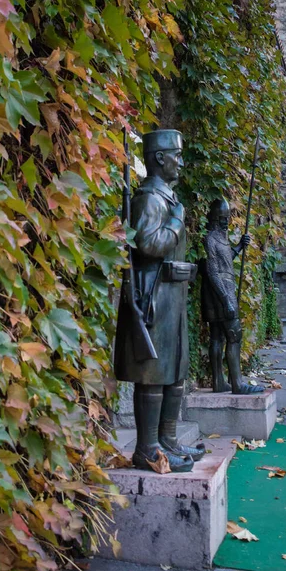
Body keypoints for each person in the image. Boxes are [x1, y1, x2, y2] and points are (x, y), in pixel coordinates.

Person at [114, 129, 205, 472]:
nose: (181, 161)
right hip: (154, 298)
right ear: (158, 159)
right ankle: (147, 447)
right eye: (176, 155)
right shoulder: (151, 200)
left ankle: (166, 438)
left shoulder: (165, 198)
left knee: (174, 369)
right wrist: (179, 221)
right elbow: (149, 245)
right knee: (152, 373)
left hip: (171, 299)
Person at [200, 197, 264, 394]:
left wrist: (238, 247)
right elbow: (213, 272)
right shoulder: (211, 239)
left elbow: (225, 262)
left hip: (220, 290)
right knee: (234, 334)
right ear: (214, 218)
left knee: (217, 336)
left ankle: (219, 382)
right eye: (222, 218)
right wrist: (226, 299)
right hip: (220, 291)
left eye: (227, 217)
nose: (226, 221)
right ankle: (237, 384)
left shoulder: (220, 239)